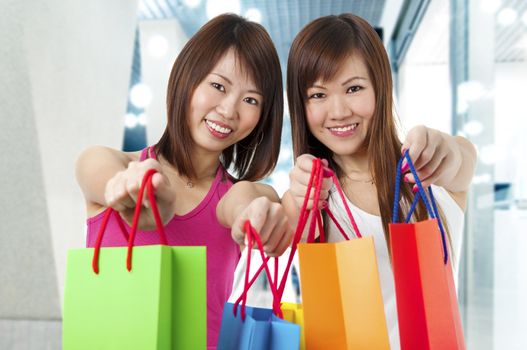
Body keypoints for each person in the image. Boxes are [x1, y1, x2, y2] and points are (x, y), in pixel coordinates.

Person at [76, 14, 292, 349]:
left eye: (251, 100)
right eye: (218, 86)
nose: (229, 109)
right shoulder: (111, 163)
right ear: (186, 80)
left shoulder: (235, 195)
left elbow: (243, 202)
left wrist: (256, 211)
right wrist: (136, 188)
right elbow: (103, 176)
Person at [282, 13, 477, 349]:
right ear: (301, 105)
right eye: (317, 95)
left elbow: (460, 156)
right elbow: (275, 219)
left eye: (354, 88)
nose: (339, 111)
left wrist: (444, 150)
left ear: (381, 86)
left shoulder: (429, 177)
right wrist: (291, 198)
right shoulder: (313, 198)